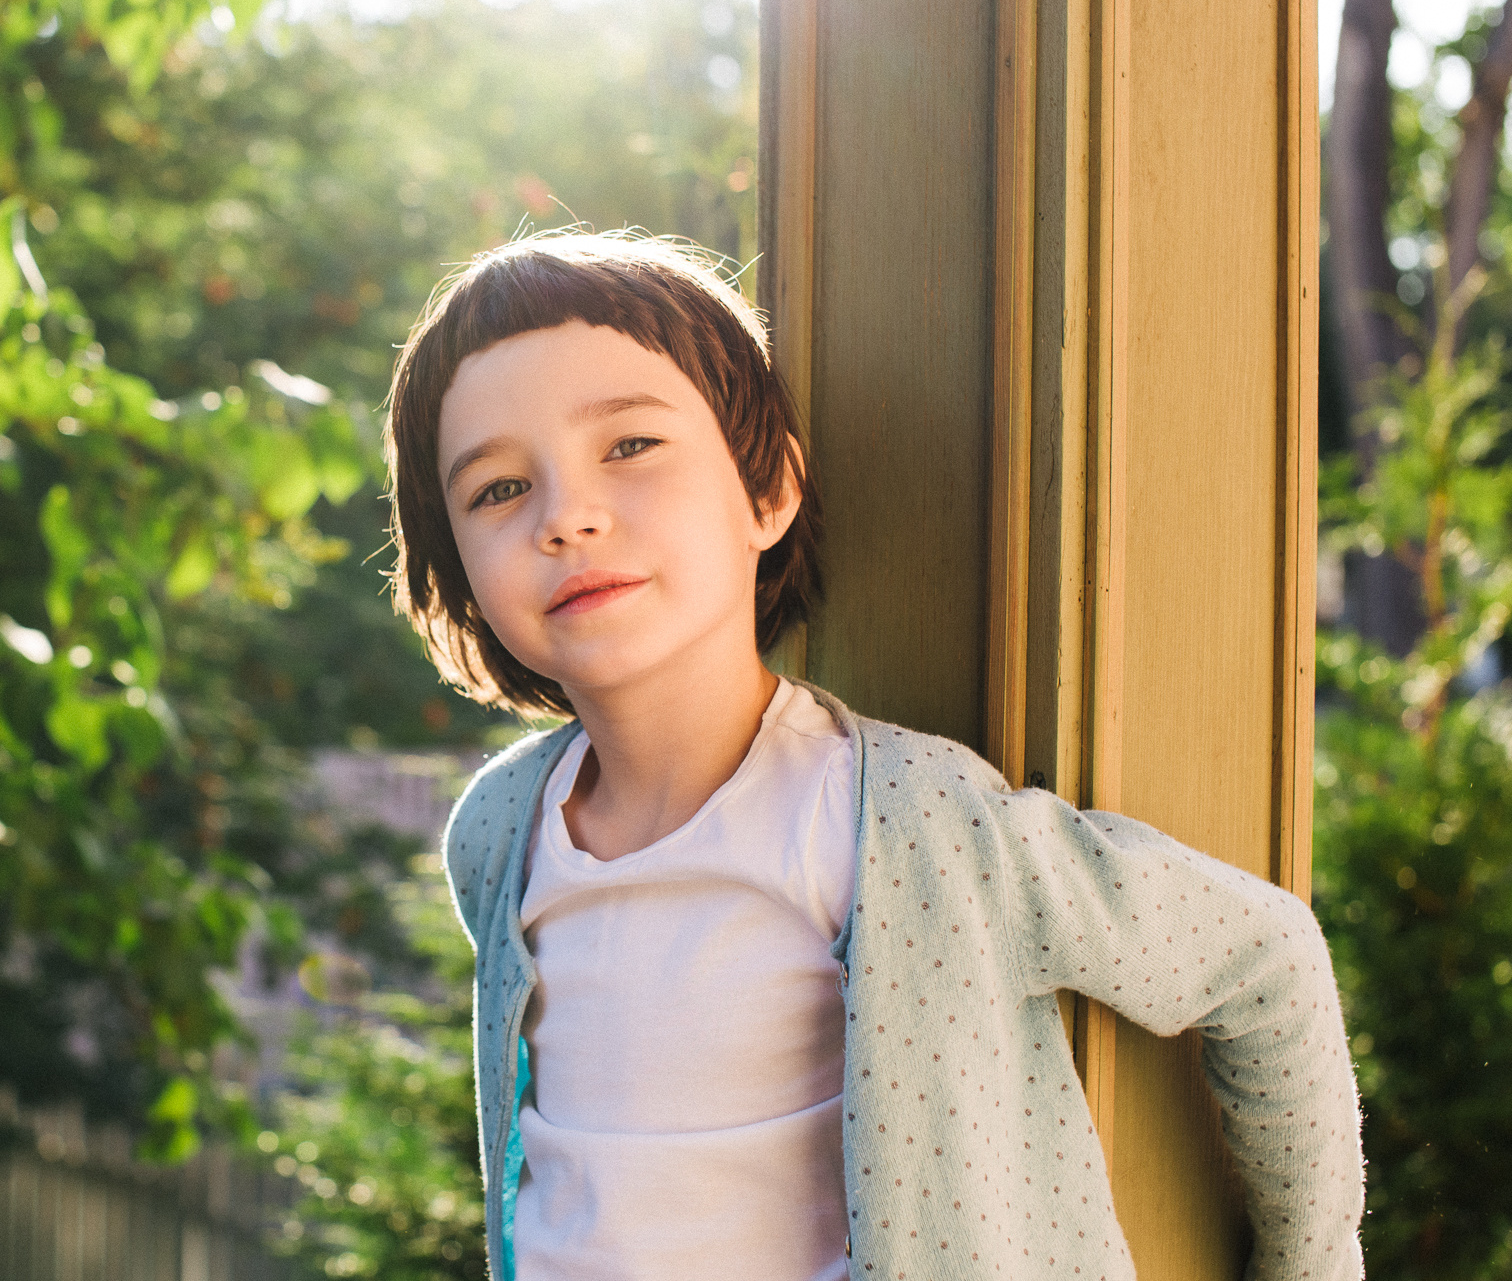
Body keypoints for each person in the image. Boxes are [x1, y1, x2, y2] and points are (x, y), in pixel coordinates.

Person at [383, 230, 1363, 1281]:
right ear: (460, 575)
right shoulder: (498, 832)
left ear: (766, 493)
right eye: (495, 490)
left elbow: (1260, 956)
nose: (565, 517)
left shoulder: (915, 820)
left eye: (627, 447)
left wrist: (1310, 1265)